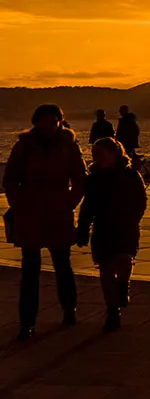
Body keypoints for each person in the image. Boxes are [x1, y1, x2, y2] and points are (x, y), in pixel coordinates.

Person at [3, 104, 87, 341]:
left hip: (58, 214)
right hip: (29, 214)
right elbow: (10, 179)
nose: (49, 126)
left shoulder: (69, 146)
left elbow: (80, 179)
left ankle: (69, 309)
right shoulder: (24, 146)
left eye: (54, 121)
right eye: (44, 121)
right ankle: (27, 323)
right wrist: (19, 205)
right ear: (36, 122)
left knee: (63, 265)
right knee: (30, 271)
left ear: (60, 122)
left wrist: (68, 203)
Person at [76, 137, 147, 332]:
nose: (98, 158)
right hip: (102, 228)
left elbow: (140, 202)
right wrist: (82, 229)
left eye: (101, 154)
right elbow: (87, 206)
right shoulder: (93, 179)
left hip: (126, 227)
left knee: (124, 260)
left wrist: (132, 220)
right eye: (95, 155)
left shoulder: (131, 176)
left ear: (115, 153)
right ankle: (112, 311)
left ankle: (123, 285)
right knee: (106, 269)